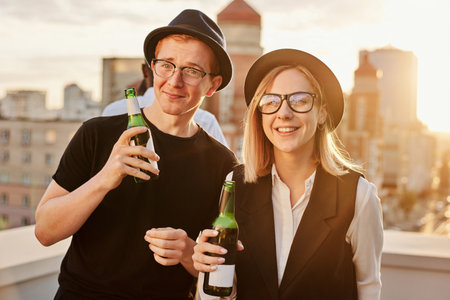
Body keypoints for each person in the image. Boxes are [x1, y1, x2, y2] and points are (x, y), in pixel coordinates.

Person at [35, 9, 238, 299]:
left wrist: (188, 253)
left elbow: (227, 277)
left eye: (192, 71)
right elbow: (44, 231)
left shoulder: (224, 165)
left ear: (213, 85)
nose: (175, 80)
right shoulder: (96, 133)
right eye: (167, 65)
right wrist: (105, 178)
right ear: (153, 67)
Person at [193, 49, 383, 299]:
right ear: (260, 116)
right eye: (271, 101)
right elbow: (223, 292)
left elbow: (368, 287)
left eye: (300, 100)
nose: (284, 113)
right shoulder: (235, 185)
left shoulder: (359, 195)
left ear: (322, 112)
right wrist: (208, 270)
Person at [102, 63, 229, 147]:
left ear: (145, 70)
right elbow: (228, 177)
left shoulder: (113, 111)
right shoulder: (205, 120)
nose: (174, 82)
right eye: (167, 64)